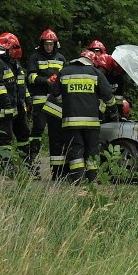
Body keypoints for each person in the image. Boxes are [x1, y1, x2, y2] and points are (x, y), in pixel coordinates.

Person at [50, 50, 117, 183]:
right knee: (92, 149)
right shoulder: (96, 73)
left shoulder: (64, 72)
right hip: (91, 122)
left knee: (75, 149)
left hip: (71, 122)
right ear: (91, 62)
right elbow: (108, 96)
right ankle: (92, 179)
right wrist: (114, 110)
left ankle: (77, 179)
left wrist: (68, 101)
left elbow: (56, 94)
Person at [0, 32, 33, 176]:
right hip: (0, 110)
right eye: (12, 48)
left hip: (15, 108)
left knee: (23, 134)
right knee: (4, 138)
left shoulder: (12, 62)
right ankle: (3, 167)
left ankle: (27, 164)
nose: (14, 51)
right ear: (5, 47)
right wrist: (7, 104)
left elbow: (21, 84)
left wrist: (27, 100)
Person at [26, 28, 66, 169]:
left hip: (55, 101)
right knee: (38, 129)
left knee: (56, 132)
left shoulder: (61, 58)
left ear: (55, 44)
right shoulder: (35, 57)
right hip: (40, 100)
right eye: (46, 44)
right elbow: (30, 77)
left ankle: (57, 167)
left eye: (51, 44)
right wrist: (45, 81)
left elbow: (64, 78)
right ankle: (32, 160)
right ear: (42, 44)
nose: (48, 47)